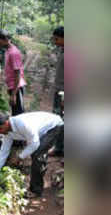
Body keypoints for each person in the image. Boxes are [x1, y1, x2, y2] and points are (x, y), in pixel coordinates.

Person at [0, 112, 64, 198]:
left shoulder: (22, 124)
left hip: (53, 126)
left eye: (0, 129)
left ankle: (36, 191)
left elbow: (35, 144)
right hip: (38, 131)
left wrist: (20, 157)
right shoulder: (7, 132)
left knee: (37, 155)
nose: (0, 132)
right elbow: (4, 150)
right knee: (35, 154)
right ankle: (40, 169)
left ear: (6, 123)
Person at [0, 30, 26, 115]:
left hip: (17, 87)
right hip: (12, 87)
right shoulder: (7, 51)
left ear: (5, 39)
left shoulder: (13, 53)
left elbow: (17, 74)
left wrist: (14, 94)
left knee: (19, 113)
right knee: (15, 111)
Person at [49, 26, 64, 157]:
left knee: (60, 119)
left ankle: (59, 148)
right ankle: (59, 146)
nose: (54, 41)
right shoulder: (62, 50)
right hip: (59, 90)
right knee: (58, 118)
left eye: (57, 38)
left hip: (63, 93)